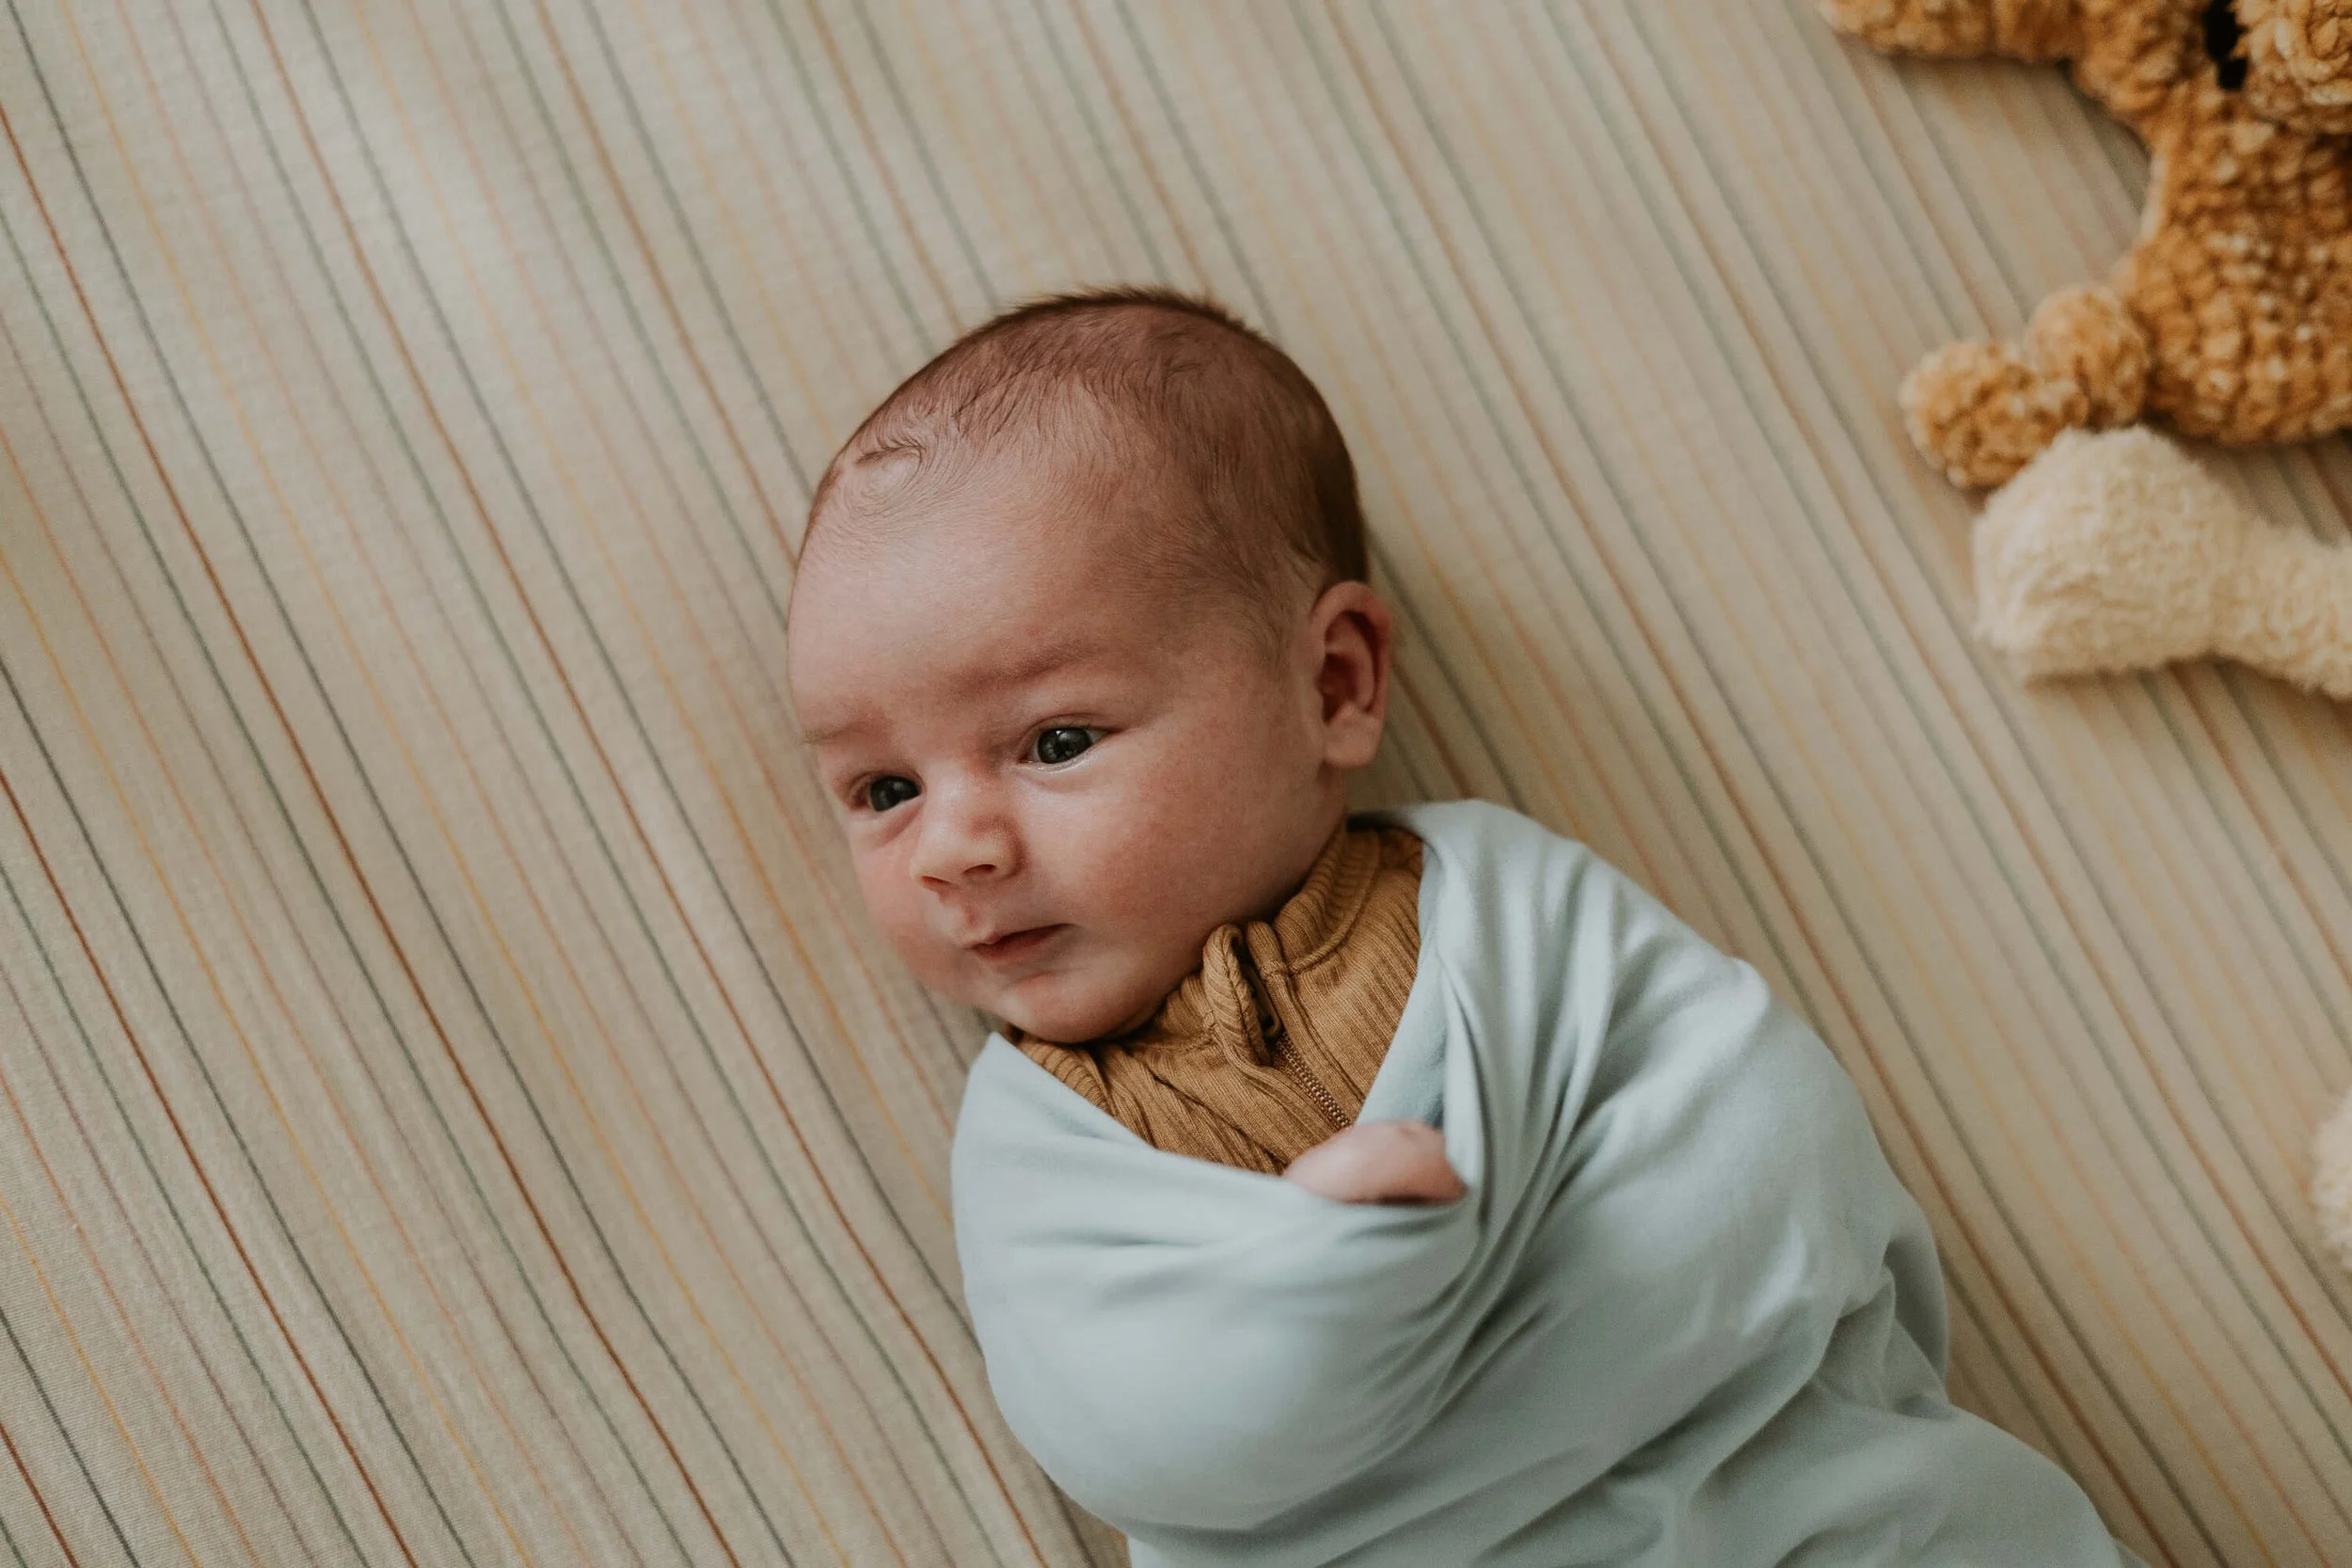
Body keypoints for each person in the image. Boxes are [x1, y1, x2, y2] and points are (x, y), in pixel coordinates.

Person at [786, 287, 2135, 1565]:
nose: (953, 849)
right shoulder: (1039, 1136)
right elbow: (1122, 1430)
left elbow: (1770, 1135)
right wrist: (1342, 1284)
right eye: (884, 791)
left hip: (1813, 1502)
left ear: (1334, 684)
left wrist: (1572, 1297)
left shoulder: (1500, 895)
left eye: (1055, 740)